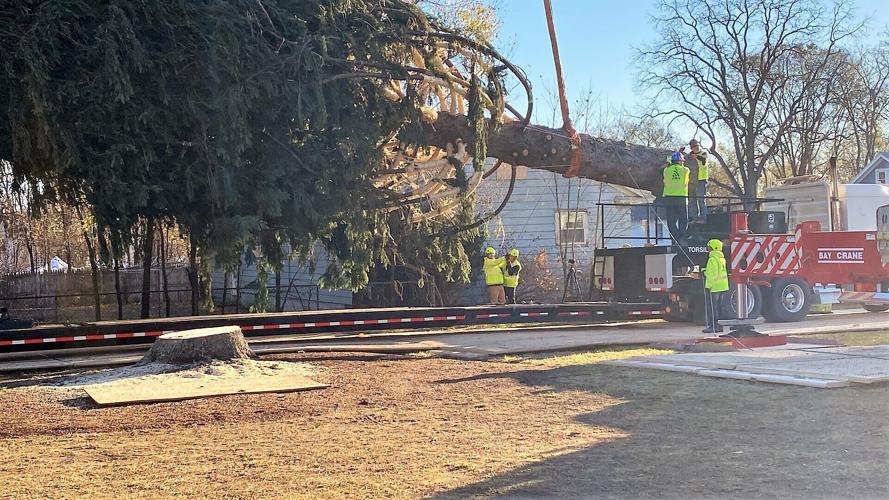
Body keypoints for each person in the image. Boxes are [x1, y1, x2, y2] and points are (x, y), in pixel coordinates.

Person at [702, 238, 729, 334]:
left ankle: (712, 326)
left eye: (709, 247)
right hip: (723, 286)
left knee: (712, 308)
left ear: (713, 248)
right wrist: (705, 270)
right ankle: (719, 326)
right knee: (720, 307)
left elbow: (711, 275)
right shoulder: (721, 259)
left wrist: (708, 286)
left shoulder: (712, 260)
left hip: (715, 288)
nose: (708, 249)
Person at [662, 151, 690, 240]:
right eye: (682, 161)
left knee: (671, 220)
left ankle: (675, 237)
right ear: (679, 161)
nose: (682, 162)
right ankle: (681, 236)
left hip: (669, 197)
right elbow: (686, 181)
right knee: (683, 219)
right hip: (681, 197)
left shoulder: (666, 170)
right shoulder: (686, 170)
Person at [688, 139, 709, 222]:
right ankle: (694, 217)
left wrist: (696, 157)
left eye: (696, 145)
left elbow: (704, 161)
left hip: (701, 179)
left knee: (701, 199)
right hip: (693, 180)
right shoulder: (690, 154)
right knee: (692, 200)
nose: (695, 147)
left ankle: (703, 217)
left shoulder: (703, 153)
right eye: (693, 146)